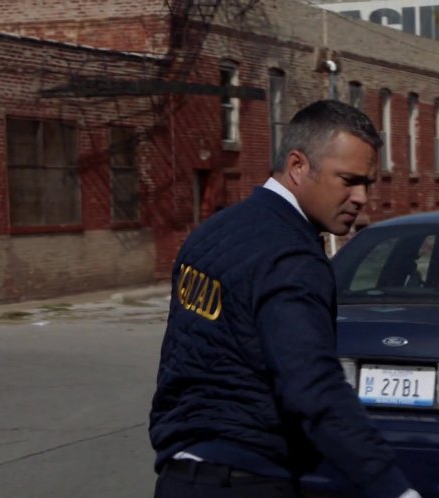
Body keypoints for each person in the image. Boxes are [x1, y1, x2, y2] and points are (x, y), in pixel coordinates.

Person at [149, 100, 421, 498]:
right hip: (246, 479)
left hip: (179, 477)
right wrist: (392, 487)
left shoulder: (212, 233)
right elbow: (312, 386)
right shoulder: (291, 258)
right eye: (348, 180)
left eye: (367, 183)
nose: (362, 197)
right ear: (298, 166)